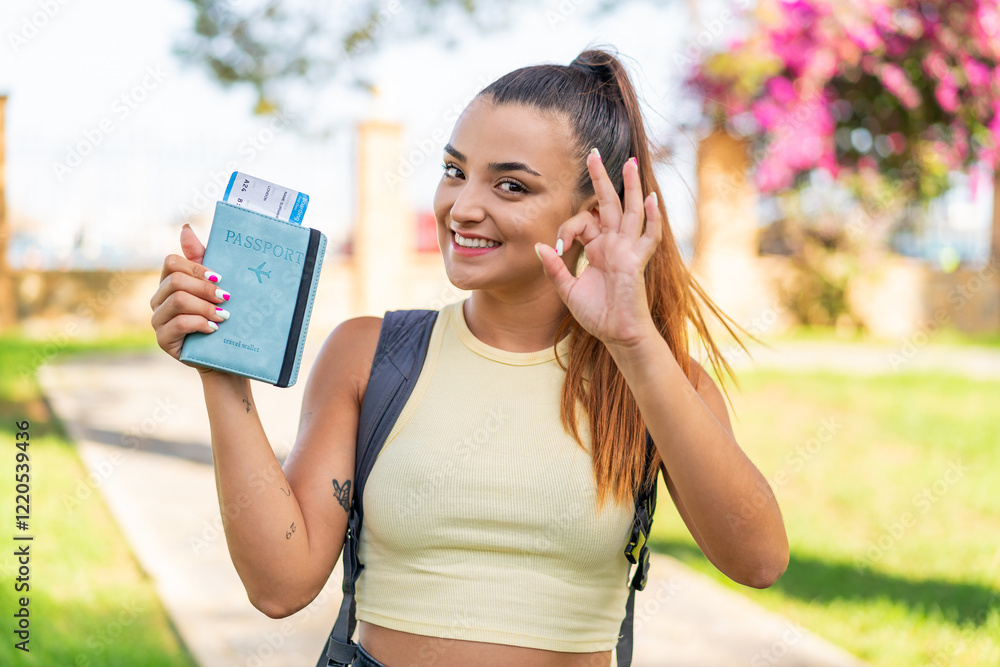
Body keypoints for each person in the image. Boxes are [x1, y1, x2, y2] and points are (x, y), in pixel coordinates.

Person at [149, 48, 788, 667]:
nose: (464, 206)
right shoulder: (369, 356)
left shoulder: (652, 379)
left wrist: (633, 342)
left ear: (590, 214)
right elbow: (279, 586)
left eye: (510, 185)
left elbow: (758, 561)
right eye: (456, 170)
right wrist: (221, 368)